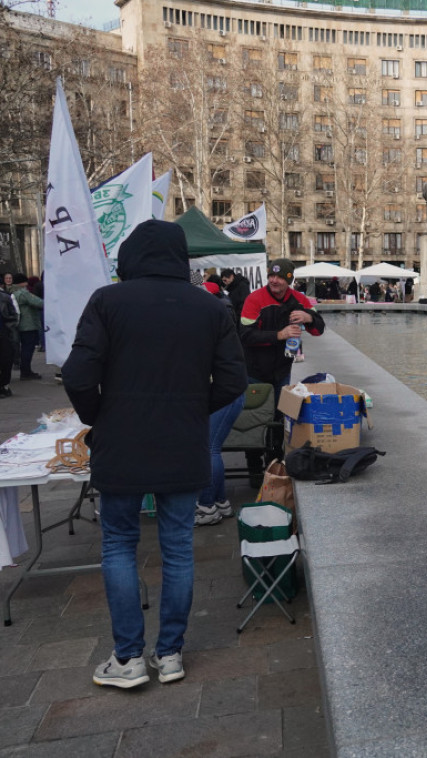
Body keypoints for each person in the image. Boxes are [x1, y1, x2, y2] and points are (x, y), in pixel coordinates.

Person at [62, 219, 248, 688]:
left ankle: (127, 659)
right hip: (181, 443)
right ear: (180, 258)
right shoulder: (209, 308)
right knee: (178, 549)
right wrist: (190, 410)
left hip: (120, 442)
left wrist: (99, 417)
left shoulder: (107, 301)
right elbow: (232, 381)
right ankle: (170, 655)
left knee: (119, 544)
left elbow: (79, 375)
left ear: (130, 258)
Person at [195, 281, 246, 526]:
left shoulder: (209, 316)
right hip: (231, 390)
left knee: (208, 449)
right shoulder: (218, 311)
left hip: (225, 391)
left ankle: (206, 506)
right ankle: (220, 502)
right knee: (211, 448)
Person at [239, 258, 325, 402]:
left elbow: (319, 330)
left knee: (280, 415)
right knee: (258, 415)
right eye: (271, 276)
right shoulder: (254, 299)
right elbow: (245, 335)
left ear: (289, 280)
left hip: (283, 371)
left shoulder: (299, 299)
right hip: (254, 372)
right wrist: (279, 335)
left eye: (280, 277)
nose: (274, 280)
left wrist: (308, 317)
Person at [10, 273, 44, 379]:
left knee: (24, 348)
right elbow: (38, 302)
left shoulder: (12, 292)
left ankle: (25, 371)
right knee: (27, 349)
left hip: (19, 324)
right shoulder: (23, 293)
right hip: (28, 324)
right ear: (22, 282)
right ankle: (26, 372)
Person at [0, 287, 15, 397]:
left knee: (6, 360)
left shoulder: (4, 297)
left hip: (3, 334)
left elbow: (13, 315)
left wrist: (8, 329)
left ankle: (4, 384)